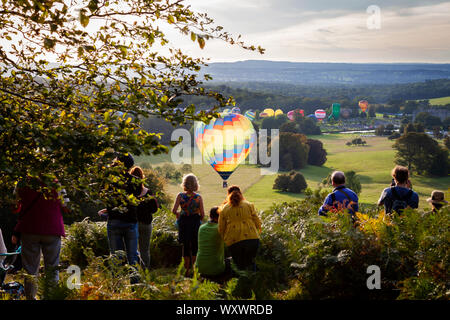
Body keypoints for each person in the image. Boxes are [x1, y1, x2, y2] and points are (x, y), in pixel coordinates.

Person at [12, 177, 69, 300]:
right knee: (52, 268)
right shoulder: (56, 182)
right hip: (52, 229)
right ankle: (51, 296)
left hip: (29, 229)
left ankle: (31, 297)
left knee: (30, 269)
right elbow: (66, 207)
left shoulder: (22, 182)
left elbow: (15, 207)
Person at [99, 153, 141, 266]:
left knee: (116, 257)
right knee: (132, 256)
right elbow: (137, 200)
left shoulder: (109, 181)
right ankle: (135, 282)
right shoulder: (136, 181)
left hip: (114, 219)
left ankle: (117, 282)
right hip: (130, 220)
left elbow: (102, 196)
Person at [218, 185, 261, 271]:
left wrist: (225, 240)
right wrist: (257, 232)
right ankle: (254, 281)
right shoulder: (249, 205)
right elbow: (258, 222)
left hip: (234, 241)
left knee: (239, 266)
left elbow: (221, 228)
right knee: (251, 263)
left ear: (228, 195)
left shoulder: (224, 209)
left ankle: (241, 282)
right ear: (240, 193)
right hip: (252, 239)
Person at [172, 174, 205, 277]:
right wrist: (197, 218)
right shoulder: (198, 197)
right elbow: (203, 214)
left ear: (184, 184)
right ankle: (194, 270)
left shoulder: (180, 196)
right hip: (194, 222)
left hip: (183, 222)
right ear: (196, 184)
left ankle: (186, 270)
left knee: (185, 246)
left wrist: (179, 215)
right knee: (195, 245)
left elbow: (174, 210)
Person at [129, 166, 158, 270]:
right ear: (142, 177)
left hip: (133, 224)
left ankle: (134, 270)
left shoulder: (129, 193)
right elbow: (154, 209)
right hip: (146, 224)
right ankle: (145, 271)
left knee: (132, 249)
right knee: (145, 250)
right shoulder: (148, 192)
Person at [195, 207, 227, 279]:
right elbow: (228, 245)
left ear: (210, 216)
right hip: (215, 269)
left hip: (200, 266)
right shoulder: (220, 229)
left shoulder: (201, 227)